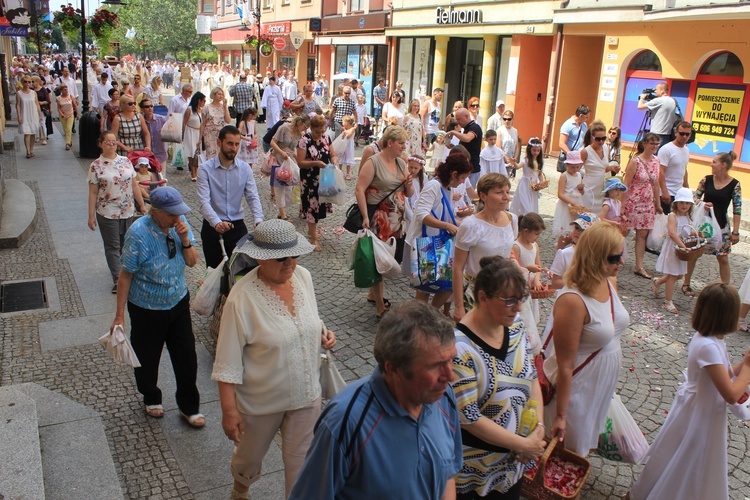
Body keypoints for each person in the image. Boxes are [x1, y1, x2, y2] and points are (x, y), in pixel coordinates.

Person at [211, 219, 336, 499]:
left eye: (294, 254)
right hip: (261, 402)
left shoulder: (303, 277)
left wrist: (323, 333)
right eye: (280, 258)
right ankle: (241, 487)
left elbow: (308, 320)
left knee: (302, 465)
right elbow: (227, 361)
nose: (290, 263)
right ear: (260, 257)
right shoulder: (241, 299)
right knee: (249, 457)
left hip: (306, 394)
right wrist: (229, 412)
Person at [290, 301, 462, 499]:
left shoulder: (444, 396)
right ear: (393, 368)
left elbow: (447, 473)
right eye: (435, 366)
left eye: (451, 360)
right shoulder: (345, 422)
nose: (450, 377)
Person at [628, 283, 750, 500]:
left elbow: (722, 373)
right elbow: (730, 393)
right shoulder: (709, 347)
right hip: (699, 415)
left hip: (699, 408)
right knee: (687, 461)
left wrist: (741, 365)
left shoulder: (710, 340)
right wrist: (748, 367)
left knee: (678, 456)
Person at [452, 256, 546, 499]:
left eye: (520, 299)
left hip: (513, 467)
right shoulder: (460, 348)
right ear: (483, 298)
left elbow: (532, 377)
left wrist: (539, 428)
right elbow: (468, 417)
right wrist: (522, 445)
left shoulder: (516, 326)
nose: (518, 307)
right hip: (476, 474)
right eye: (510, 301)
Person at [111, 186, 204, 426]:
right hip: (146, 308)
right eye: (171, 214)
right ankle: (151, 396)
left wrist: (184, 239)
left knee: (186, 357)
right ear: (155, 211)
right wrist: (119, 316)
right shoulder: (138, 232)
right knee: (147, 357)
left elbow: (193, 263)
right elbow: (126, 275)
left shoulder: (180, 223)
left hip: (177, 301)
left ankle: (189, 407)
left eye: (178, 213)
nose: (176, 218)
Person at [543, 221, 629, 457]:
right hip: (579, 384)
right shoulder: (572, 300)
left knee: (585, 438)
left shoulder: (609, 282)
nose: (621, 262)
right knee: (572, 444)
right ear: (595, 257)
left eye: (621, 255)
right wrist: (561, 414)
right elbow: (565, 364)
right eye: (614, 258)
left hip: (599, 384)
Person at [355, 126, 414, 317]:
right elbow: (359, 189)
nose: (404, 147)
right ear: (390, 143)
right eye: (401, 143)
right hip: (380, 218)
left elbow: (408, 193)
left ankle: (373, 294)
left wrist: (409, 186)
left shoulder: (401, 163)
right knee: (379, 261)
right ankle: (380, 305)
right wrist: (365, 216)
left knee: (391, 257)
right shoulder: (373, 162)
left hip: (397, 220)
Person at [406, 153, 473, 307]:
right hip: (427, 243)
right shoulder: (434, 186)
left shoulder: (447, 188)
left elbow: (446, 216)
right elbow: (422, 215)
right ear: (454, 174)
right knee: (425, 289)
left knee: (448, 285)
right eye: (462, 178)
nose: (463, 182)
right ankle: (422, 320)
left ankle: (430, 314)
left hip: (438, 243)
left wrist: (462, 225)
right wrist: (447, 226)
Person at [453, 173, 518, 322]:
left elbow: (509, 252)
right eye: (499, 192)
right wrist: (458, 306)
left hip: (504, 290)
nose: (506, 197)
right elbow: (457, 267)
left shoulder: (512, 219)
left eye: (507, 192)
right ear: (483, 196)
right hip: (477, 291)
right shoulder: (471, 226)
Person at [87, 131, 147, 293]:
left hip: (127, 210)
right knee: (112, 246)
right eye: (108, 142)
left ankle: (127, 273)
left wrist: (141, 205)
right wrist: (91, 215)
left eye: (114, 142)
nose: (112, 145)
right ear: (101, 144)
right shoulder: (96, 165)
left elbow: (134, 185)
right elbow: (93, 192)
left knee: (126, 244)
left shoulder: (126, 161)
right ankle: (118, 279)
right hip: (107, 211)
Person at [197, 125, 264, 268]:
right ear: (219, 143)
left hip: (237, 227)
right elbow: (204, 201)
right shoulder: (205, 169)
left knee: (242, 272)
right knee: (214, 273)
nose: (233, 148)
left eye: (237, 144)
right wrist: (216, 222)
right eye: (229, 143)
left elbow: (252, 196)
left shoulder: (245, 169)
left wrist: (258, 219)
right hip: (212, 227)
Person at [684, 151, 743, 292]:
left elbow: (737, 209)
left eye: (714, 162)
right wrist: (701, 203)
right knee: (694, 254)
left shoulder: (735, 184)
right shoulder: (706, 180)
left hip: (722, 226)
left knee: (723, 258)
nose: (711, 164)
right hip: (703, 225)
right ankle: (686, 284)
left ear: (723, 165)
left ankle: (726, 288)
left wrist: (735, 231)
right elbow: (693, 198)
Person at [297, 114, 339, 251]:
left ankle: (312, 231)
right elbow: (300, 162)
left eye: (322, 131)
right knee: (312, 207)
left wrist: (334, 160)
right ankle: (313, 238)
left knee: (319, 207)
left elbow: (333, 154)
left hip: (324, 178)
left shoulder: (326, 137)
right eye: (317, 132)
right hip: (309, 180)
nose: (320, 134)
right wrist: (315, 163)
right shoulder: (305, 140)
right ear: (311, 128)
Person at [624, 133, 662, 280]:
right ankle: (610, 256)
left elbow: (656, 184)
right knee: (623, 232)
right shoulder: (635, 161)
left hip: (648, 203)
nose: (654, 146)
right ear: (645, 143)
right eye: (652, 143)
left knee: (642, 234)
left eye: (657, 144)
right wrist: (622, 205)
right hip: (633, 202)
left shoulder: (656, 161)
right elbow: (626, 184)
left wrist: (658, 204)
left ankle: (639, 266)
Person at [653, 188, 695, 314]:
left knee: (679, 275)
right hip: (673, 249)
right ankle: (668, 301)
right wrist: (682, 246)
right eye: (682, 202)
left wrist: (696, 233)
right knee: (672, 275)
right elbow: (672, 233)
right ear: (676, 203)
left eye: (687, 203)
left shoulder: (687, 218)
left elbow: (687, 231)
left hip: (681, 249)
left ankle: (658, 281)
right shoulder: (672, 216)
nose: (684, 205)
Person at [271, 114, 311, 222]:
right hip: (279, 159)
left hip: (289, 161)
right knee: (280, 187)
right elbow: (273, 142)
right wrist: (282, 152)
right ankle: (283, 215)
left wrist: (300, 161)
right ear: (299, 123)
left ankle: (282, 212)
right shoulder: (284, 128)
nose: (305, 129)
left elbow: (294, 149)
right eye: (305, 126)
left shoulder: (299, 134)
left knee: (289, 187)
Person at [657, 120, 692, 214]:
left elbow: (684, 169)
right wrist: (664, 191)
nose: (684, 137)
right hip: (667, 192)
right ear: (676, 133)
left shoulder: (686, 150)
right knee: (665, 221)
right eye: (682, 133)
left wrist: (687, 190)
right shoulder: (666, 149)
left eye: (687, 134)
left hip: (679, 193)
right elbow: (660, 171)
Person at [553, 150, 585, 249]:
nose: (575, 169)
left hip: (576, 204)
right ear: (567, 165)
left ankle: (572, 248)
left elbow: (581, 192)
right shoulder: (564, 176)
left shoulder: (579, 175)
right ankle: (560, 248)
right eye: (572, 167)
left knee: (575, 227)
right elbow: (560, 194)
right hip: (567, 205)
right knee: (566, 228)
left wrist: (581, 189)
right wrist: (572, 203)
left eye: (577, 167)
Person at [580, 120, 614, 213]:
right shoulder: (585, 151)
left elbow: (605, 168)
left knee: (599, 217)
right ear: (592, 138)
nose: (601, 141)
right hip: (589, 188)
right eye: (598, 139)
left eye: (604, 138)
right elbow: (576, 170)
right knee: (587, 215)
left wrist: (612, 168)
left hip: (602, 188)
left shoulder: (606, 148)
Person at [447, 108, 483, 188]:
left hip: (472, 168)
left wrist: (453, 132)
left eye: (459, 119)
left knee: (467, 196)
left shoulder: (475, 127)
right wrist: (453, 147)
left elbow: (467, 138)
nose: (458, 122)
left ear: (467, 116)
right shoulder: (466, 129)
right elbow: (465, 147)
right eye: (457, 120)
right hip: (464, 167)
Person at [510, 137, 544, 217]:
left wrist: (541, 183)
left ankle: (530, 217)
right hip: (525, 184)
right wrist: (514, 163)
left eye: (538, 150)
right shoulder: (526, 160)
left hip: (534, 185)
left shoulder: (539, 161)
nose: (536, 152)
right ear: (529, 149)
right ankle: (525, 216)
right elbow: (518, 166)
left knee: (532, 202)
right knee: (524, 202)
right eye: (534, 150)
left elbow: (539, 174)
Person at [637, 82, 677, 149]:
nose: (655, 91)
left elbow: (640, 107)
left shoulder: (658, 101)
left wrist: (642, 98)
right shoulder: (673, 100)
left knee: (653, 154)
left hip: (656, 133)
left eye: (656, 89)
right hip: (667, 134)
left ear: (662, 91)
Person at [200, 87, 232, 161]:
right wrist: (200, 138)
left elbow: (228, 120)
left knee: (221, 153)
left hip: (221, 132)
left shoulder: (223, 107)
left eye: (222, 94)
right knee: (211, 153)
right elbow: (203, 123)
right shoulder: (206, 107)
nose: (221, 96)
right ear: (214, 95)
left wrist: (225, 106)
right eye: (219, 94)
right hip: (209, 133)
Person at [16, 75, 43, 158]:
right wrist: (19, 116)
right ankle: (27, 151)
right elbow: (18, 105)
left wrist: (40, 114)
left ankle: (31, 150)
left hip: (33, 114)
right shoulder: (19, 93)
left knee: (32, 133)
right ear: (22, 83)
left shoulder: (33, 93)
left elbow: (37, 104)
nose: (27, 83)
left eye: (29, 82)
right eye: (25, 82)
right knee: (27, 133)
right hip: (25, 114)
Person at [182, 91, 205, 181]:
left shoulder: (202, 110)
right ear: (199, 100)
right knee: (191, 153)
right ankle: (193, 172)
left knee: (199, 154)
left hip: (199, 133)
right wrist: (182, 135)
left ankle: (198, 171)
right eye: (203, 101)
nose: (204, 103)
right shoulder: (189, 109)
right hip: (190, 132)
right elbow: (184, 123)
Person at [140, 98, 168, 166]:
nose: (150, 108)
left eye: (151, 106)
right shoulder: (140, 121)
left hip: (161, 155)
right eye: (147, 106)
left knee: (161, 176)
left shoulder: (162, 120)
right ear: (142, 109)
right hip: (146, 156)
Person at [498, 110, 520, 175]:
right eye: (504, 119)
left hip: (511, 161)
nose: (506, 121)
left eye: (509, 119)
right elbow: (499, 147)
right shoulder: (500, 130)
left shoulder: (515, 131)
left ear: (512, 119)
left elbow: (517, 146)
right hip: (502, 160)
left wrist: (515, 158)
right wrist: (506, 159)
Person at [32, 76, 52, 145]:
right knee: (36, 123)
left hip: (43, 108)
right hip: (34, 109)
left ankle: (44, 137)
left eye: (33, 82)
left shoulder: (43, 90)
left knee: (42, 122)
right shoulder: (32, 90)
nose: (32, 83)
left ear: (37, 82)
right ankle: (37, 136)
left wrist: (41, 102)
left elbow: (48, 100)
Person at [56, 84, 75, 150]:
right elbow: (58, 108)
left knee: (69, 129)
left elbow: (74, 105)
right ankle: (69, 140)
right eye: (64, 90)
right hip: (63, 115)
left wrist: (77, 113)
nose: (66, 91)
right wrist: (61, 113)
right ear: (61, 91)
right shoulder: (58, 98)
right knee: (65, 129)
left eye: (67, 90)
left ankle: (67, 143)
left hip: (70, 114)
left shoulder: (70, 96)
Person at [337, 115, 357, 180]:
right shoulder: (345, 129)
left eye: (343, 122)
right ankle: (340, 171)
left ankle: (348, 173)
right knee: (341, 158)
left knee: (348, 158)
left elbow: (348, 136)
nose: (342, 123)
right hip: (344, 145)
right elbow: (343, 137)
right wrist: (343, 132)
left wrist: (344, 131)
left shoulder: (352, 129)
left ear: (347, 123)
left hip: (349, 146)